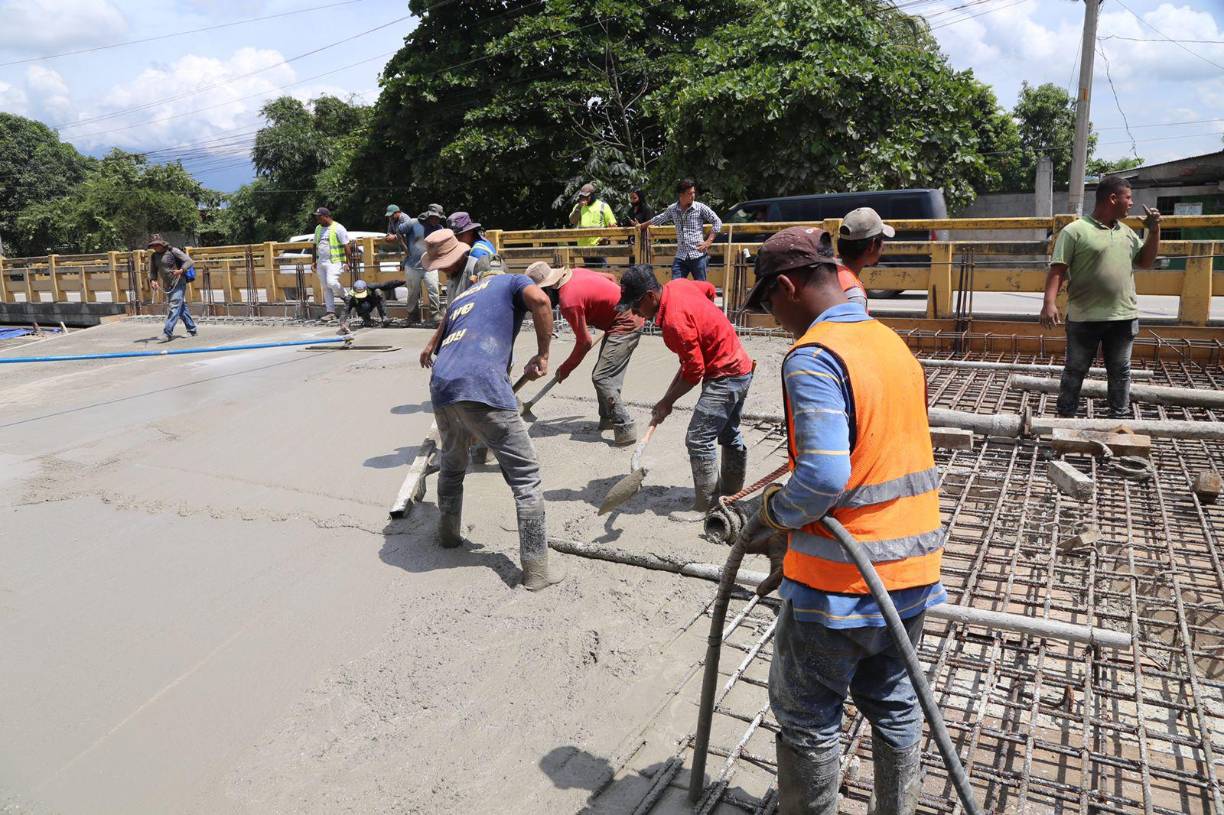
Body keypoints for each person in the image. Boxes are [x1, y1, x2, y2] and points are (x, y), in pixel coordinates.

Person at [737, 225, 946, 815]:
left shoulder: (813, 357)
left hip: (839, 585)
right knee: (897, 704)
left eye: (770, 304)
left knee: (807, 715)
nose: (776, 319)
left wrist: (775, 513)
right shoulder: (889, 342)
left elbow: (825, 480)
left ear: (786, 286)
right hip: (911, 574)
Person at [418, 262, 563, 591]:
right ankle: (537, 571)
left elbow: (437, 343)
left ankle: (449, 535)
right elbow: (541, 302)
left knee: (453, 464)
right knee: (526, 476)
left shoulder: (461, 298)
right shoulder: (514, 281)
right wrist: (543, 354)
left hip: (442, 385)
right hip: (479, 382)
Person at [616, 264, 752, 521]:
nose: (635, 312)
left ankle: (706, 505)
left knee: (698, 438)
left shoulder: (674, 323)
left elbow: (694, 370)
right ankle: (731, 495)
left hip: (725, 374)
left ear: (650, 296)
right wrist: (706, 324)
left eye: (635, 306)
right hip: (740, 365)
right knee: (728, 432)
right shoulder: (678, 285)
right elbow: (709, 290)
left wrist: (667, 401)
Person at [1040, 176, 1161, 419]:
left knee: (1120, 372)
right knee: (1075, 370)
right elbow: (1058, 269)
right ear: (1112, 198)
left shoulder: (1127, 233)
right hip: (1085, 317)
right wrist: (1049, 303)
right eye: (1128, 197)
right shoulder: (1075, 231)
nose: (1131, 203)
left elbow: (1146, 262)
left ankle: (1118, 418)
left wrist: (1154, 230)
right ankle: (1065, 417)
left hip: (1123, 316)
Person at [526, 261, 645, 445]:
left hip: (627, 322)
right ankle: (607, 419)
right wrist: (611, 307)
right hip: (619, 318)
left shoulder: (568, 302)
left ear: (548, 289)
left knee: (602, 377)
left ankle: (625, 425)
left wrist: (566, 367)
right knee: (605, 374)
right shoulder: (575, 272)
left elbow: (584, 342)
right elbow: (611, 278)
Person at [647, 179, 723, 281]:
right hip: (681, 256)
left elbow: (717, 221)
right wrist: (642, 226)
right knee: (676, 285)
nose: (693, 196)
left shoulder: (700, 208)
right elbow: (659, 218)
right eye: (690, 193)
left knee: (701, 288)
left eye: (693, 193)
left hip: (698, 255)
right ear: (681, 195)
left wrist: (708, 242)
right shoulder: (673, 209)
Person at [385, 204, 440, 323]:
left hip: (430, 265)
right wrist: (406, 249)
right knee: (412, 293)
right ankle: (412, 316)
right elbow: (399, 231)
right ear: (429, 216)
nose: (436, 220)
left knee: (434, 290)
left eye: (438, 218)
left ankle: (434, 315)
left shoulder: (439, 228)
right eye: (435, 217)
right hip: (412, 264)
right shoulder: (413, 223)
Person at [837, 207, 896, 310]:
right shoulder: (855, 296)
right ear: (872, 246)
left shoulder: (828, 269)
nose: (883, 246)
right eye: (882, 239)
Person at [147, 234, 198, 341]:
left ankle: (167, 333)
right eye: (153, 246)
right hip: (168, 284)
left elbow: (189, 261)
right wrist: (153, 280)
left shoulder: (172, 251)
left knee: (174, 306)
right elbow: (152, 271)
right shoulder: (154, 256)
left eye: (157, 245)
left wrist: (181, 270)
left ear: (162, 243)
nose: (155, 247)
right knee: (180, 308)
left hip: (179, 282)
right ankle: (192, 330)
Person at [312, 207, 353, 324]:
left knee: (331, 282)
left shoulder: (338, 228)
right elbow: (314, 245)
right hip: (321, 262)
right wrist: (313, 261)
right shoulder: (318, 228)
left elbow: (346, 246)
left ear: (326, 216)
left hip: (335, 261)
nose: (317, 219)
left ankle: (347, 297)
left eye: (319, 217)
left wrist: (347, 262)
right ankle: (330, 312)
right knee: (325, 287)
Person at [446, 211, 496, 302]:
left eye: (460, 235)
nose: (456, 240)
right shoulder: (483, 241)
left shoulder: (476, 253)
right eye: (454, 237)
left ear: (470, 231)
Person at [568, 182, 617, 268]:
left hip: (599, 246)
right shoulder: (578, 207)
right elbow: (572, 221)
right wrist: (579, 207)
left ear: (593, 195)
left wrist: (605, 238)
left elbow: (613, 226)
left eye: (586, 196)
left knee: (602, 272)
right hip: (584, 247)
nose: (584, 198)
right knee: (590, 272)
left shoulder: (603, 206)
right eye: (582, 196)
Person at [337, 279, 404, 333]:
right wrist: (342, 324)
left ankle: (384, 317)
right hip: (362, 307)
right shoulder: (350, 297)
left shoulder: (370, 286)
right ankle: (367, 320)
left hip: (372, 301)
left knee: (378, 292)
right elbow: (345, 311)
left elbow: (386, 285)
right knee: (364, 307)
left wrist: (400, 282)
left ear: (366, 289)